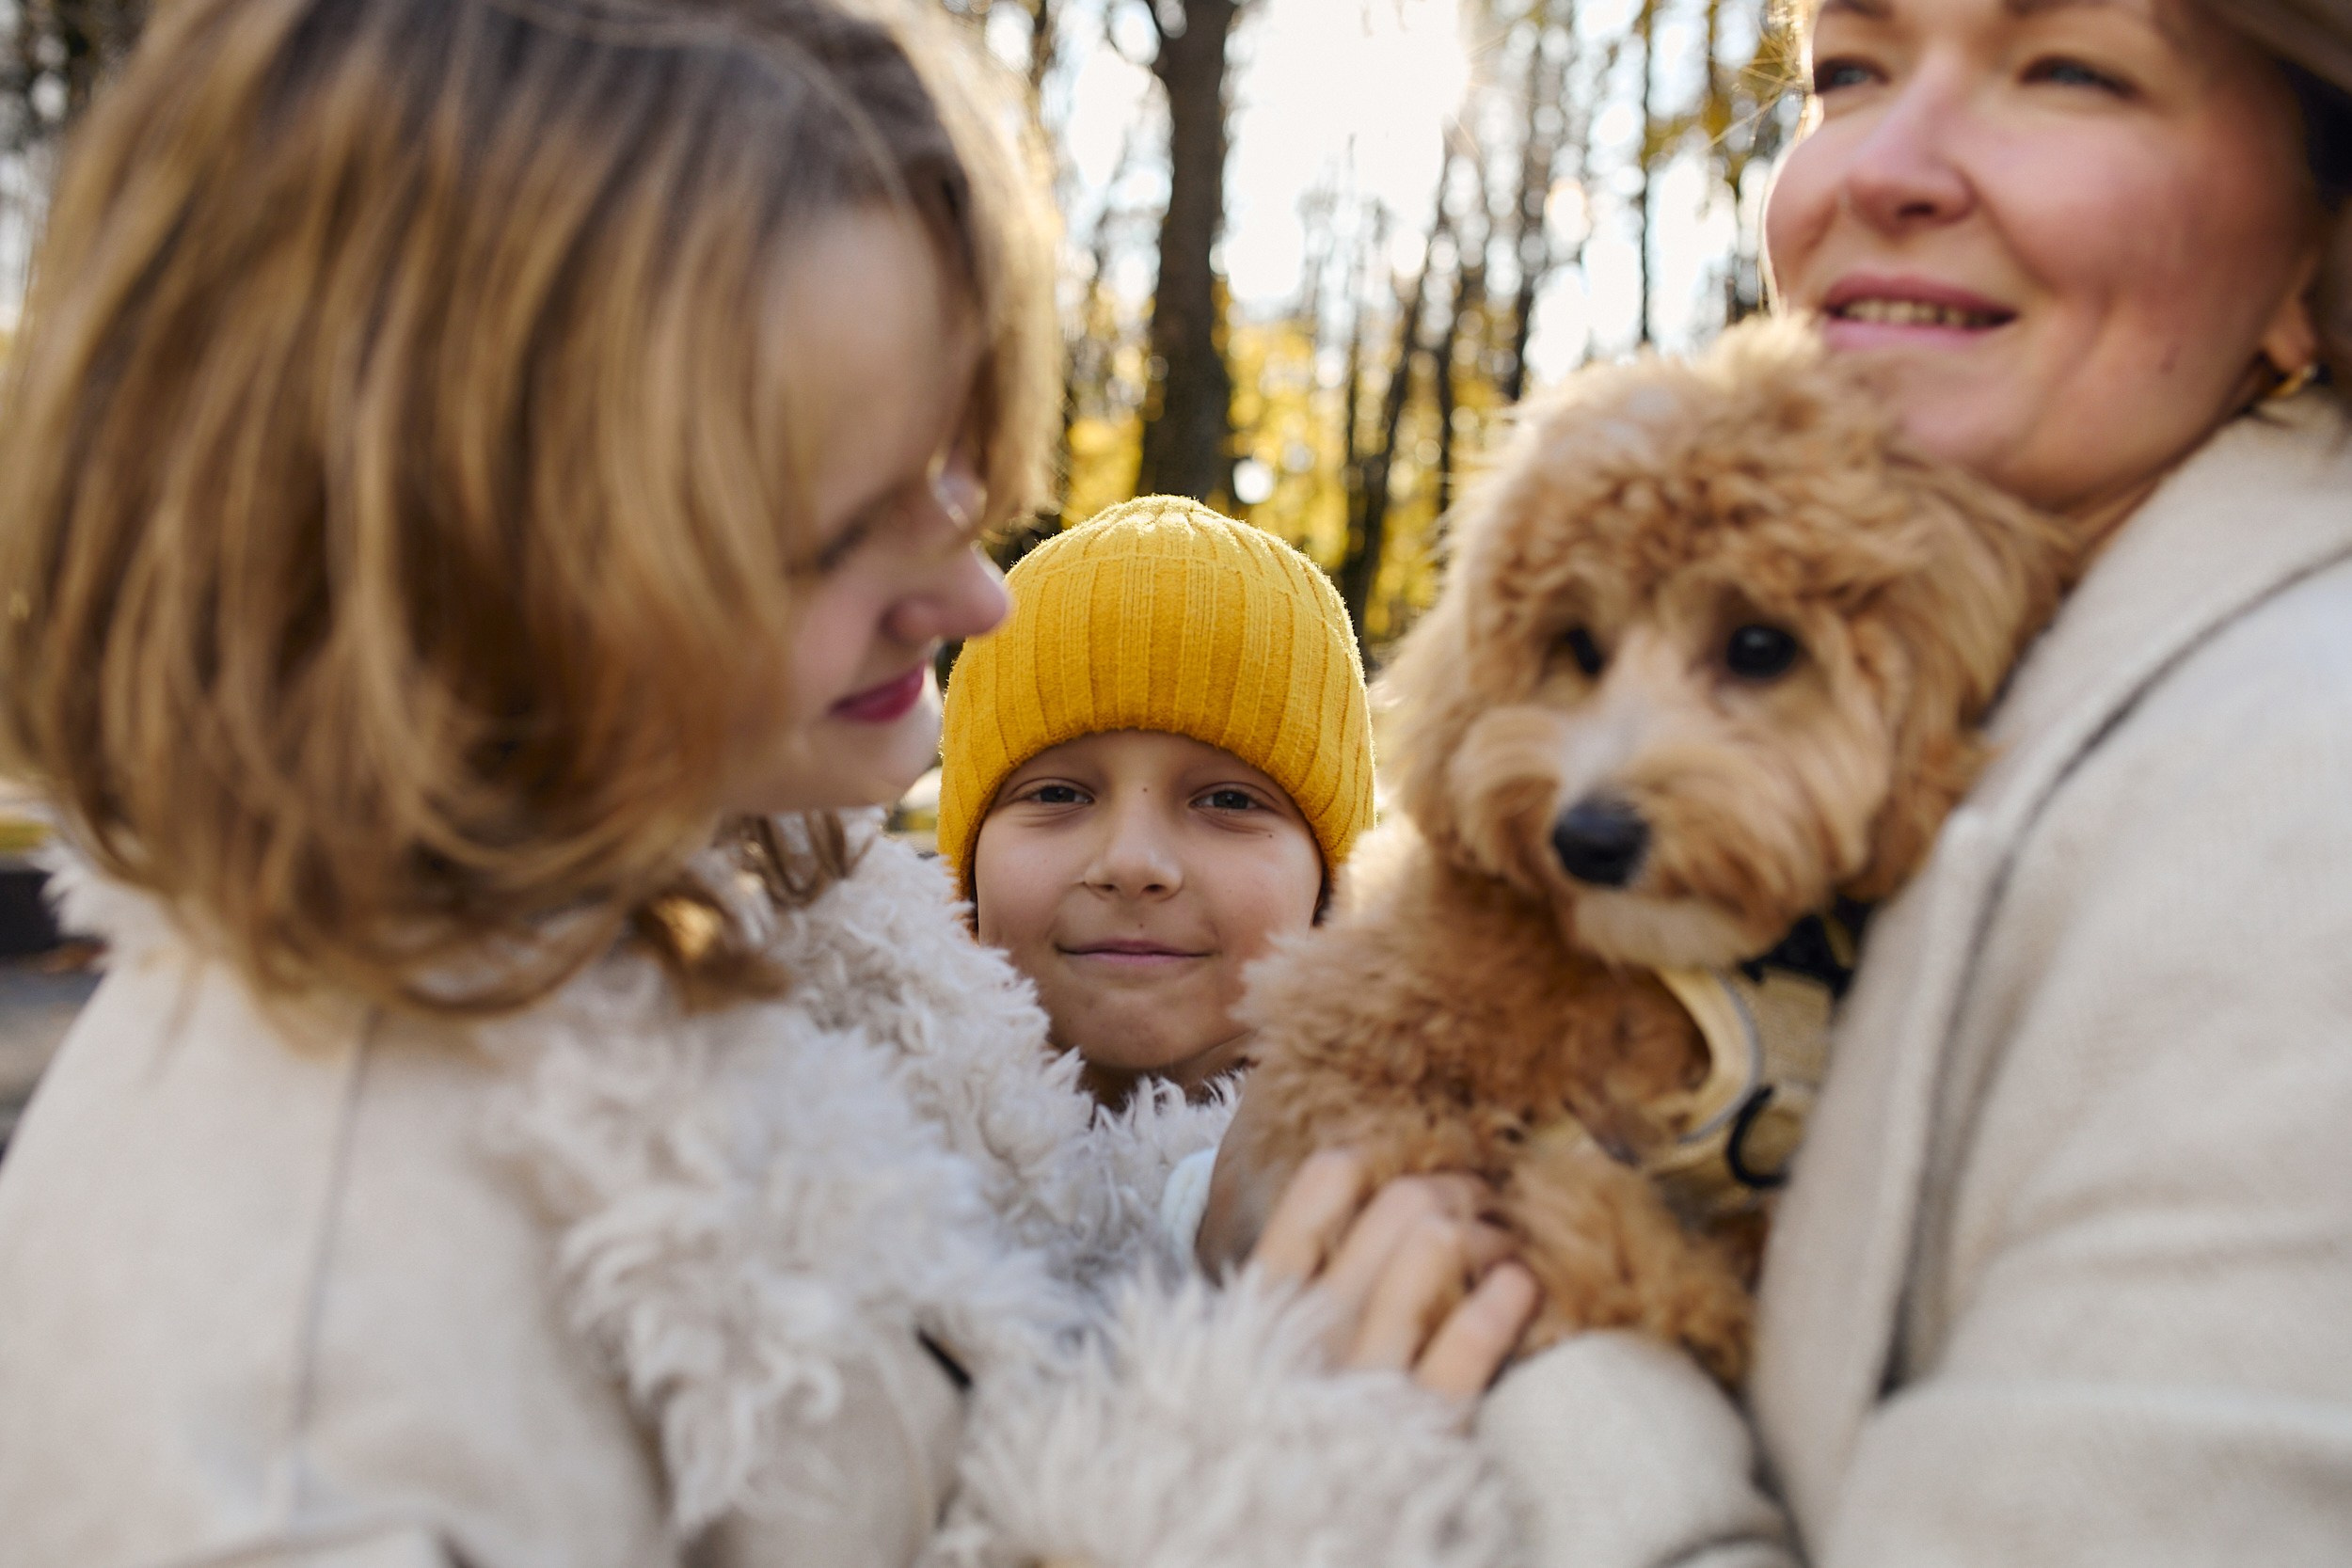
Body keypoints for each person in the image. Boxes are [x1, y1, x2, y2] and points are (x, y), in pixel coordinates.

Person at [0, 2, 1541, 1565]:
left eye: (952, 477)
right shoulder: (300, 1416)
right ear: (454, 539)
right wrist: (1259, 1478)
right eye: (835, 525)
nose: (973, 595)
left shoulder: (731, 948)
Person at [1215, 0, 2352, 1561]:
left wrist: (1530, 1361)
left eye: (2068, 69)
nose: (1881, 166)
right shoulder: (2026, 673)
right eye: (1849, 72)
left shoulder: (2294, 794)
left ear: (2319, 236)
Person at [936, 495, 1375, 1109]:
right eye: (1058, 793)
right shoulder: (824, 1144)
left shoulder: (1452, 1160)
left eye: (1229, 800)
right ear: (964, 874)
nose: (1131, 863)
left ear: (1333, 888)